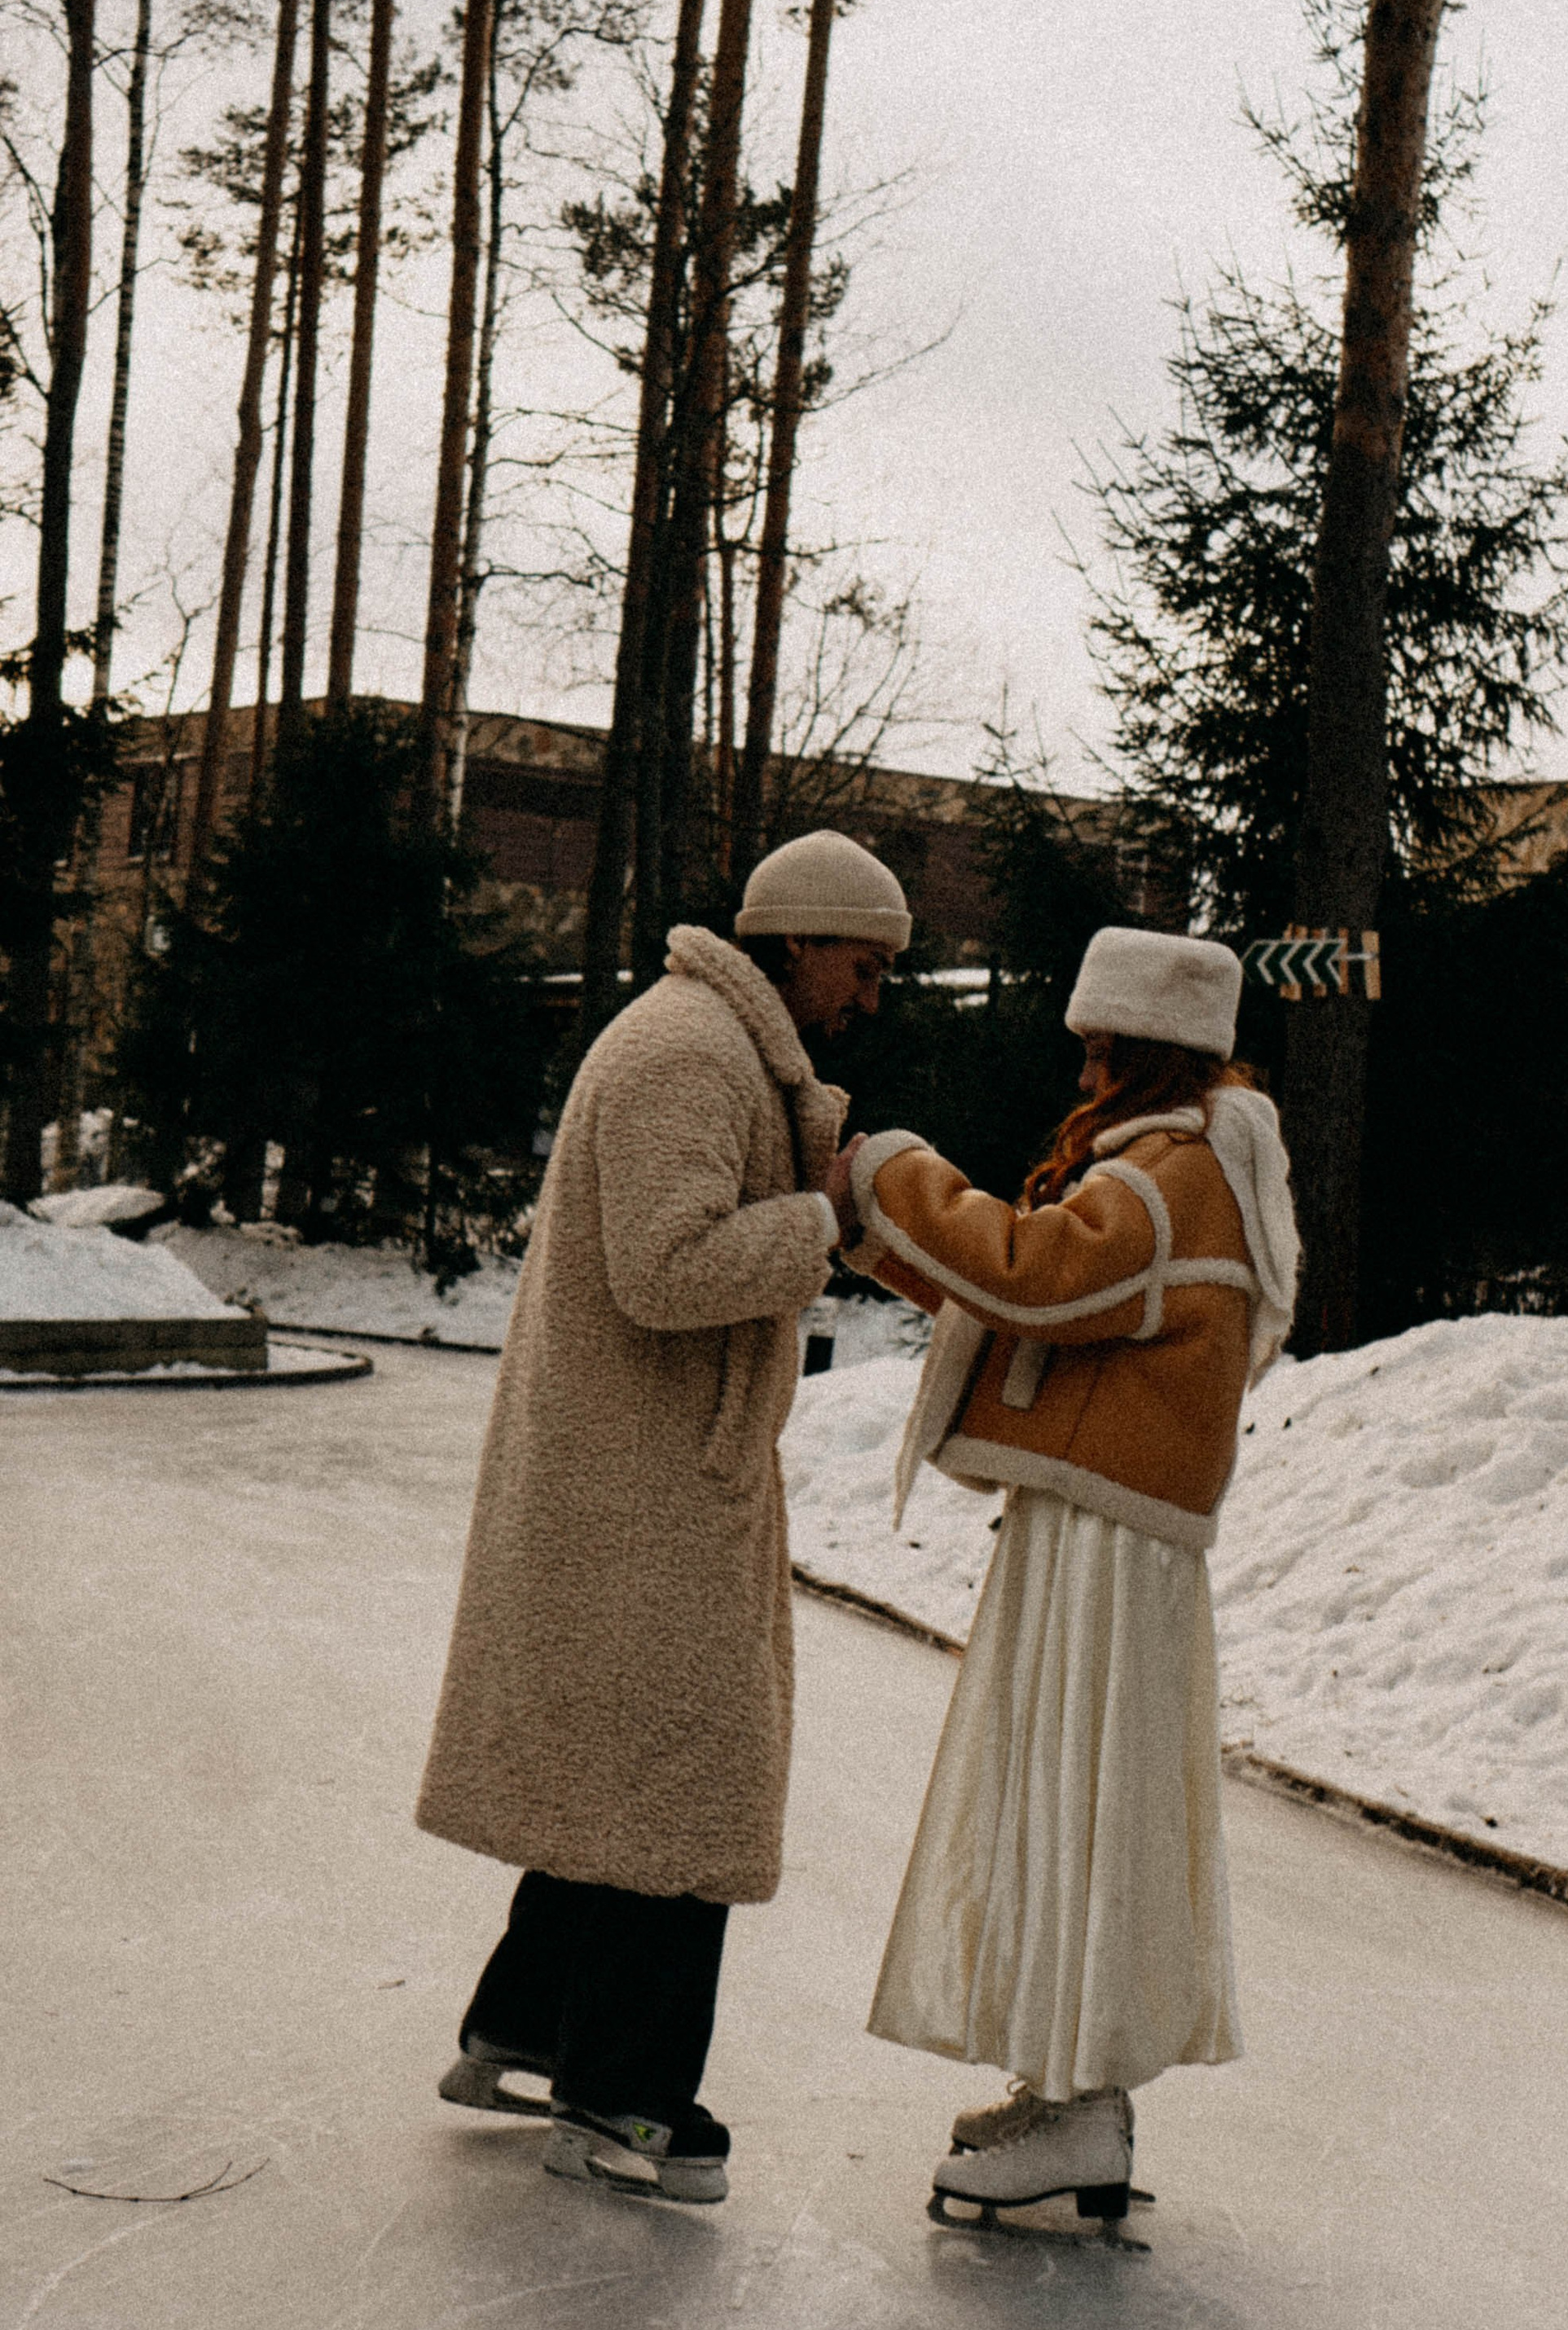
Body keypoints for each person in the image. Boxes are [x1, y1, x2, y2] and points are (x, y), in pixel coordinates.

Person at [414, 829, 906, 2205]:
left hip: (643, 1475)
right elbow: (668, 1267)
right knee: (682, 1779)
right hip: (642, 1486)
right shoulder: (689, 1051)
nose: (871, 997)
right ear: (798, 941)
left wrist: (828, 1201)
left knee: (619, 1770)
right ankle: (623, 2096)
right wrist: (829, 1210)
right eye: (864, 967)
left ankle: (521, 2028)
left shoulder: (708, 1043)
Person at [826, 926, 1298, 2227]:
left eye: (1106, 1051)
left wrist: (894, 1173)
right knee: (1064, 1800)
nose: (1085, 1072)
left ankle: (1084, 2102)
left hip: (1112, 1545)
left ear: (1158, 1054)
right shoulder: (1174, 1164)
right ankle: (1069, 2087)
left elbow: (1036, 1279)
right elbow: (1027, 1292)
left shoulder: (1173, 1178)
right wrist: (880, 1231)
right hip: (1104, 1531)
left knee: (1078, 1808)